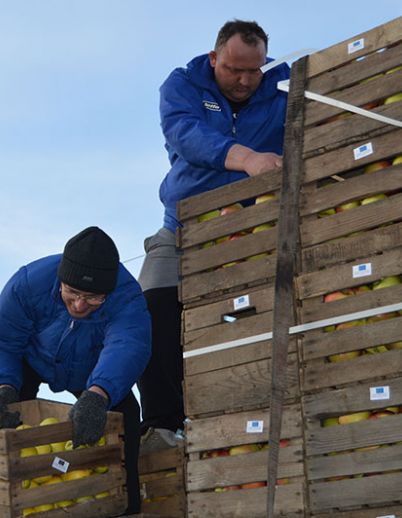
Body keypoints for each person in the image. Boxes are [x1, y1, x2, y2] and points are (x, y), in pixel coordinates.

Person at [137, 20, 290, 454]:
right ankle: (164, 424)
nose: (244, 81)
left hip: (254, 227)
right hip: (184, 226)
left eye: (254, 71)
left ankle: (242, 414)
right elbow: (187, 136)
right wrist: (247, 159)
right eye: (234, 70)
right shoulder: (183, 84)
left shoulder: (284, 86)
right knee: (148, 308)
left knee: (244, 317)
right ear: (214, 59)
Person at [0, 226, 152, 515]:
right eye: (71, 292)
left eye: (94, 298)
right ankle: (12, 499)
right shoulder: (27, 283)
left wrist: (99, 394)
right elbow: (2, 341)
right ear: (61, 279)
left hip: (91, 365)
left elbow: (128, 344)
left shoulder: (126, 296)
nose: (80, 304)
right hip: (33, 357)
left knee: (125, 418)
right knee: (11, 414)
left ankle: (126, 505)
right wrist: (5, 385)